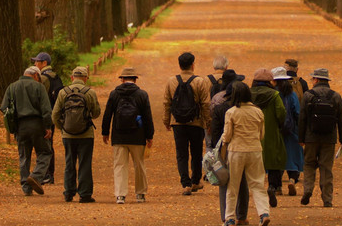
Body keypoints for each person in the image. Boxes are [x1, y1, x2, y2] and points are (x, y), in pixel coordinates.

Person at [221, 81, 271, 226]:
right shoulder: (258, 111)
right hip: (255, 151)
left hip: (236, 151)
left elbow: (227, 136)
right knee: (257, 185)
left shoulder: (231, 112)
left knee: (233, 186)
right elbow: (261, 135)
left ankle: (229, 218)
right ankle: (264, 213)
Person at [103, 66, 154, 204]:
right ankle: (140, 194)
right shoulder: (142, 95)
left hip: (119, 136)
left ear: (122, 79)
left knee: (120, 165)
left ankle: (120, 195)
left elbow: (108, 114)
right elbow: (147, 116)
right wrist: (150, 135)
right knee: (139, 165)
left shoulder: (114, 94)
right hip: (138, 136)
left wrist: (105, 132)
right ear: (135, 80)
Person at [163, 51, 212, 195]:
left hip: (177, 123)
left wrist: (167, 120)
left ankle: (185, 183)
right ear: (192, 65)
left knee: (181, 153)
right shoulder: (200, 81)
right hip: (195, 123)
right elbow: (205, 104)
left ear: (179, 65)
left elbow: (167, 102)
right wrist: (208, 122)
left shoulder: (172, 81)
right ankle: (196, 181)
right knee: (196, 152)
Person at [297, 67, 342, 208]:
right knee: (326, 168)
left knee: (309, 165)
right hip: (329, 138)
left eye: (313, 79)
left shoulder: (308, 95)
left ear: (317, 79)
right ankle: (327, 199)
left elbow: (302, 118)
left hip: (311, 137)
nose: (312, 81)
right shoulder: (335, 96)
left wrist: (301, 138)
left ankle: (307, 190)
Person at [51, 66, 102, 203]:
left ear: (72, 77)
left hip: (67, 135)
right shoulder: (90, 92)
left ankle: (68, 193)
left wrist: (62, 128)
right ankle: (85, 194)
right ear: (85, 78)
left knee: (69, 163)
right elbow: (96, 113)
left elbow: (55, 114)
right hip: (86, 135)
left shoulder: (63, 92)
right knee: (85, 163)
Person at [1, 66, 53, 196]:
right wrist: (48, 127)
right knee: (45, 153)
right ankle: (35, 176)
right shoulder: (39, 87)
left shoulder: (12, 87)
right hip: (37, 125)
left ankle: (26, 187)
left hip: (20, 126)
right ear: (36, 75)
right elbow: (46, 109)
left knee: (24, 156)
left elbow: (3, 108)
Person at [210, 69, 249, 225]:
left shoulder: (219, 105)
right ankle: (242, 216)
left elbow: (215, 133)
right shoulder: (246, 109)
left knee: (224, 182)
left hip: (225, 150)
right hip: (242, 148)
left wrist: (215, 150)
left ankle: (226, 216)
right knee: (243, 183)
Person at [249, 69, 286, 208]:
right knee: (275, 158)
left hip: (253, 132)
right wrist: (279, 124)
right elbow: (281, 112)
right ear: (270, 82)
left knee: (255, 161)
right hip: (271, 131)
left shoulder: (249, 94)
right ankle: (273, 186)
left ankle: (256, 189)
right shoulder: (275, 95)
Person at [33, 51, 64, 184]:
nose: (35, 64)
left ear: (44, 63)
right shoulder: (56, 76)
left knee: (44, 145)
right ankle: (48, 174)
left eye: (37, 62)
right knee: (48, 144)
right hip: (54, 114)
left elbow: (40, 98)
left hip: (45, 116)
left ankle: (46, 175)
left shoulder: (44, 78)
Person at [272, 67, 303, 196]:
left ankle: (278, 186)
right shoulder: (291, 94)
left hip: (277, 130)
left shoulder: (273, 94)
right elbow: (297, 112)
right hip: (291, 130)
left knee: (278, 158)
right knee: (293, 157)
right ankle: (292, 179)